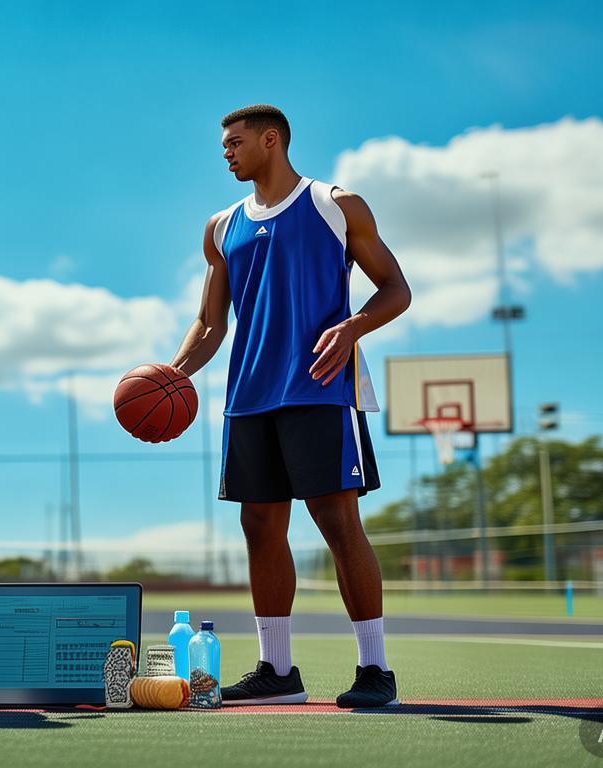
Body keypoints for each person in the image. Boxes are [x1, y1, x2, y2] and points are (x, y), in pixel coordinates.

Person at [169, 105, 411, 708]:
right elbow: (209, 321)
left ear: (270, 141)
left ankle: (375, 670)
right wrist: (172, 378)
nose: (226, 152)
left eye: (235, 142)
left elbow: (396, 289)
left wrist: (353, 329)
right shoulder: (221, 227)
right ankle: (277, 672)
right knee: (260, 527)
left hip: (319, 389)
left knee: (337, 523)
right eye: (224, 144)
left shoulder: (336, 204)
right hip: (249, 399)